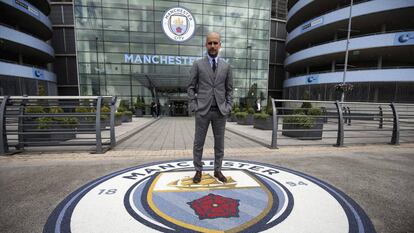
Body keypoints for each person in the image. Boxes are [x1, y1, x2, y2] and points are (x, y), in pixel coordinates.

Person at [187, 32, 233, 184]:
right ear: (206, 45)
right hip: (203, 111)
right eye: (210, 43)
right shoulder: (198, 64)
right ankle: (198, 171)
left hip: (220, 111)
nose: (212, 46)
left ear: (220, 45)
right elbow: (191, 87)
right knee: (198, 142)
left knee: (219, 143)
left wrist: (228, 106)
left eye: (215, 43)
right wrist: (194, 106)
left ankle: (217, 170)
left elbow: (229, 89)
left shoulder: (226, 66)